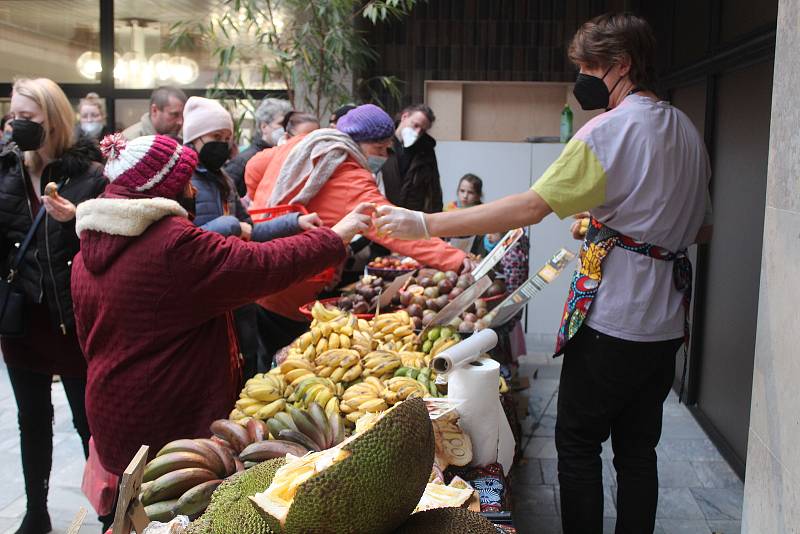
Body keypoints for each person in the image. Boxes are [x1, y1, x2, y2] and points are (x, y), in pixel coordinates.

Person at [376, 13, 713, 534]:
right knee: (638, 451)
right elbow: (702, 228)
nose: (580, 78)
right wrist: (622, 225)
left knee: (578, 446)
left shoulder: (610, 131)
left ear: (621, 65)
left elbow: (530, 207)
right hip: (667, 323)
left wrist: (425, 223)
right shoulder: (687, 129)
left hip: (614, 320)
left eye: (586, 67)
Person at [70, 132, 372, 482]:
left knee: (132, 510)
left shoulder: (87, 250)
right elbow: (262, 265)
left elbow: (87, 340)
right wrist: (337, 235)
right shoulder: (172, 246)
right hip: (166, 420)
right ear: (162, 189)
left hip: (112, 409)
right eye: (185, 182)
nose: (194, 190)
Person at [248, 104, 469, 354]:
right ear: (356, 141)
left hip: (265, 270)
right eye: (378, 148)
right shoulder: (347, 175)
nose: (385, 156)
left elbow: (253, 168)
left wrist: (266, 205)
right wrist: (455, 259)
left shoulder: (305, 144)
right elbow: (393, 227)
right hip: (290, 291)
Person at [0, 78, 108, 534]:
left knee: (90, 422)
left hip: (72, 317)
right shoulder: (4, 168)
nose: (18, 124)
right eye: (14, 116)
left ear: (54, 119)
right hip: (22, 316)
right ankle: (36, 511)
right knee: (32, 421)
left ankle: (108, 511)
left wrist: (77, 215)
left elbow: (107, 238)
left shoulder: (87, 174)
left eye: (30, 118)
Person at [182, 96, 323, 377]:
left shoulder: (222, 179)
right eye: (214, 137)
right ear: (194, 138)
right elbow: (187, 241)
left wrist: (294, 222)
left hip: (238, 290)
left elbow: (252, 231)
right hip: (204, 297)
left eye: (227, 137)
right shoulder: (183, 183)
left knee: (246, 365)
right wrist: (232, 226)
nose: (222, 144)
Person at [381, 103, 443, 214]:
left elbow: (434, 189)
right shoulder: (381, 142)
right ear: (404, 117)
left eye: (423, 130)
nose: (418, 132)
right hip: (383, 211)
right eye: (415, 125)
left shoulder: (426, 151)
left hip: (412, 216)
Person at [223, 97, 291, 197]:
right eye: (281, 124)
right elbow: (226, 195)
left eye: (289, 124)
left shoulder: (286, 155)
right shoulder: (244, 160)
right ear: (264, 127)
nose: (286, 129)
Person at [121, 85, 187, 141]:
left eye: (183, 115)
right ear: (154, 110)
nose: (180, 122)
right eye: (174, 115)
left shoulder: (182, 139)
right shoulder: (129, 141)